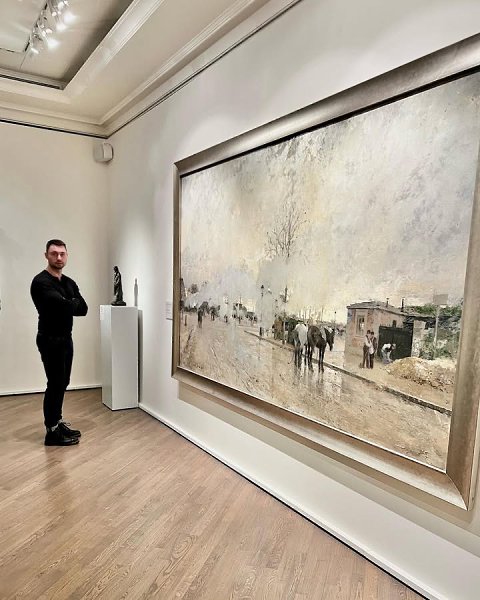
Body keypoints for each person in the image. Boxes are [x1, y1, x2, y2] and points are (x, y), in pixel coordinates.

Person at [31, 240, 88, 446]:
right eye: (54, 253)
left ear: (67, 255)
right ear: (46, 255)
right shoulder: (41, 282)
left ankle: (57, 421)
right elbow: (62, 306)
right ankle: (51, 431)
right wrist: (69, 303)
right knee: (55, 383)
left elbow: (83, 309)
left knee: (63, 382)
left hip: (66, 338)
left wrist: (68, 303)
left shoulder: (69, 282)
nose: (58, 257)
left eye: (62, 253)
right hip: (49, 339)